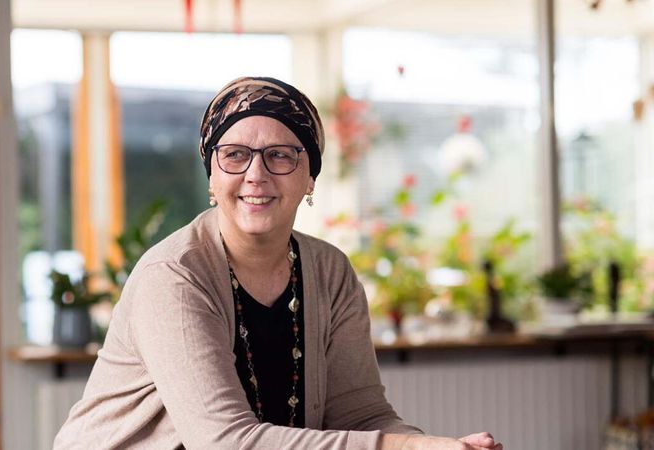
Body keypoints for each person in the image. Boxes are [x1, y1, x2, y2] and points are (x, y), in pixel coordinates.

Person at [54, 76, 502, 450]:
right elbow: (224, 442)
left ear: (310, 177)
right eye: (235, 155)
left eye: (281, 155)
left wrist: (442, 446)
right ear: (212, 174)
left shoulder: (330, 271)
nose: (256, 174)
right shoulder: (174, 276)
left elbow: (359, 413)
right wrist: (406, 449)